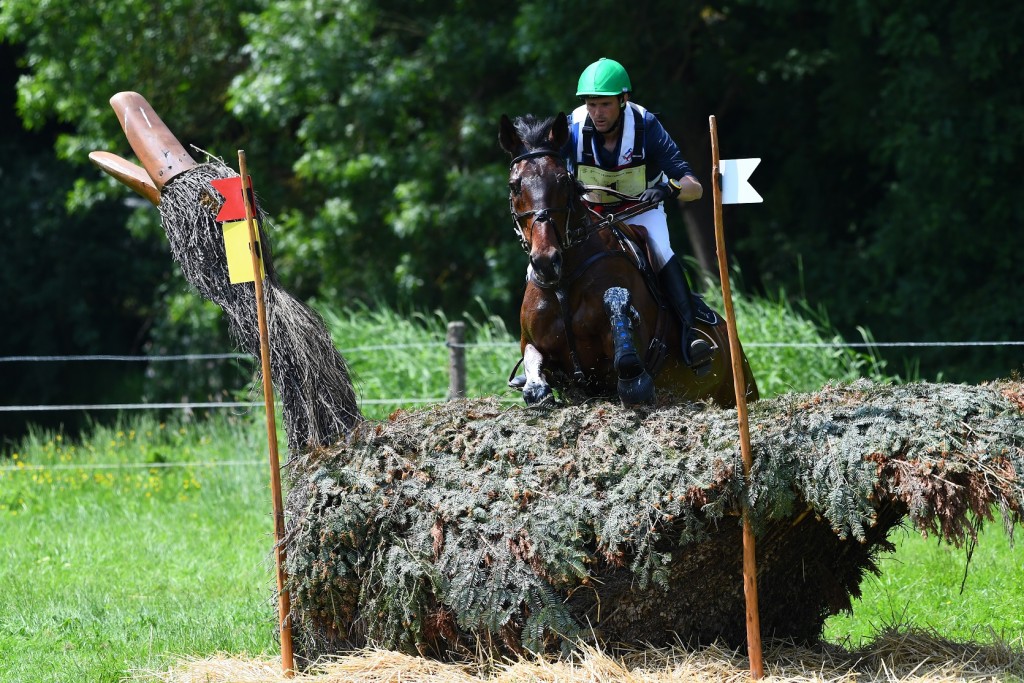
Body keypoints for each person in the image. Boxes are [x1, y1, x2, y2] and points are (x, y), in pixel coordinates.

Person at [566, 57, 712, 369]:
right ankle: (538, 348)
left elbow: (694, 186)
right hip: (591, 217)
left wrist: (669, 189)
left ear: (623, 99)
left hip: (639, 211)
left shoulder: (647, 126)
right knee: (544, 261)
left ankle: (690, 335)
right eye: (591, 105)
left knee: (660, 250)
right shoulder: (572, 129)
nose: (597, 113)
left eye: (605, 104)